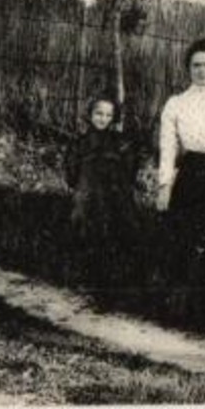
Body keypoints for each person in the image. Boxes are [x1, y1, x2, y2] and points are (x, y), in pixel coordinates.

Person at [156, 37, 205, 321]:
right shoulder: (176, 104)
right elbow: (168, 147)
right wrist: (165, 186)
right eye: (196, 65)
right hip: (191, 171)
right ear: (188, 68)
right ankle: (180, 307)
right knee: (184, 235)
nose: (202, 71)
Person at [63, 96, 136, 291]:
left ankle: (112, 280)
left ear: (113, 118)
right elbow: (71, 173)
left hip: (114, 196)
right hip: (88, 195)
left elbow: (129, 172)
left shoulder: (120, 143)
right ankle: (83, 277)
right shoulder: (80, 143)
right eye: (98, 114)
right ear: (90, 114)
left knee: (115, 232)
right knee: (84, 229)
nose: (103, 119)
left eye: (108, 115)